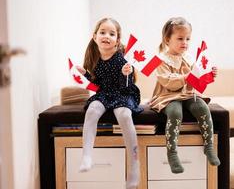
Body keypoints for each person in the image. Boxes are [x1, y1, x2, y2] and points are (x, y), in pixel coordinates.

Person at [76, 18, 143, 189]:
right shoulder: (96, 58)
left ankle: (134, 166)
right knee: (92, 110)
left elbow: (125, 85)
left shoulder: (121, 59)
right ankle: (87, 155)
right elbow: (97, 82)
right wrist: (85, 74)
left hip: (123, 92)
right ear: (94, 36)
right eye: (103, 32)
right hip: (105, 93)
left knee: (124, 115)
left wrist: (125, 73)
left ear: (117, 40)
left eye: (112, 34)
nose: (107, 36)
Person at [150, 17, 220, 174]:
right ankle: (172, 153)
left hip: (188, 94)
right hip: (168, 95)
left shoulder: (189, 59)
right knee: (175, 112)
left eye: (188, 39)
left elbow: (197, 79)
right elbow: (167, 82)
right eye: (180, 38)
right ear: (168, 39)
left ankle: (209, 145)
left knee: (202, 107)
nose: (185, 42)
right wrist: (186, 77)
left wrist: (209, 74)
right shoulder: (161, 60)